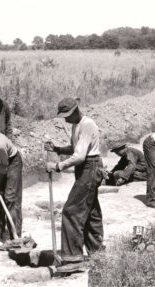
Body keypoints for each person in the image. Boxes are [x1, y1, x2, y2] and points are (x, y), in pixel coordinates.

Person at [45, 97, 104, 272]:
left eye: (66, 115)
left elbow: (79, 156)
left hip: (90, 167)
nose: (65, 119)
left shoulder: (87, 124)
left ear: (75, 111)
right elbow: (75, 148)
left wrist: (58, 166)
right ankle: (97, 251)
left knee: (71, 211)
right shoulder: (75, 125)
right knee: (90, 211)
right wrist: (57, 149)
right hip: (85, 169)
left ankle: (73, 259)